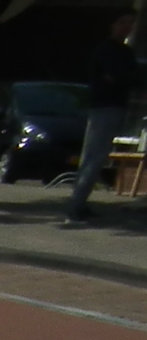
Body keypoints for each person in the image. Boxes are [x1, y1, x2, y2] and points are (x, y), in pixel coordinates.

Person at [64, 13, 137, 224]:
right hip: (103, 106)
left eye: (130, 24)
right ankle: (74, 208)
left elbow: (132, 78)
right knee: (93, 157)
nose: (127, 27)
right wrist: (122, 79)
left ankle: (81, 204)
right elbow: (115, 77)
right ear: (113, 25)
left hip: (117, 106)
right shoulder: (104, 50)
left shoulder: (126, 52)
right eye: (123, 22)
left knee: (99, 156)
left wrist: (125, 79)